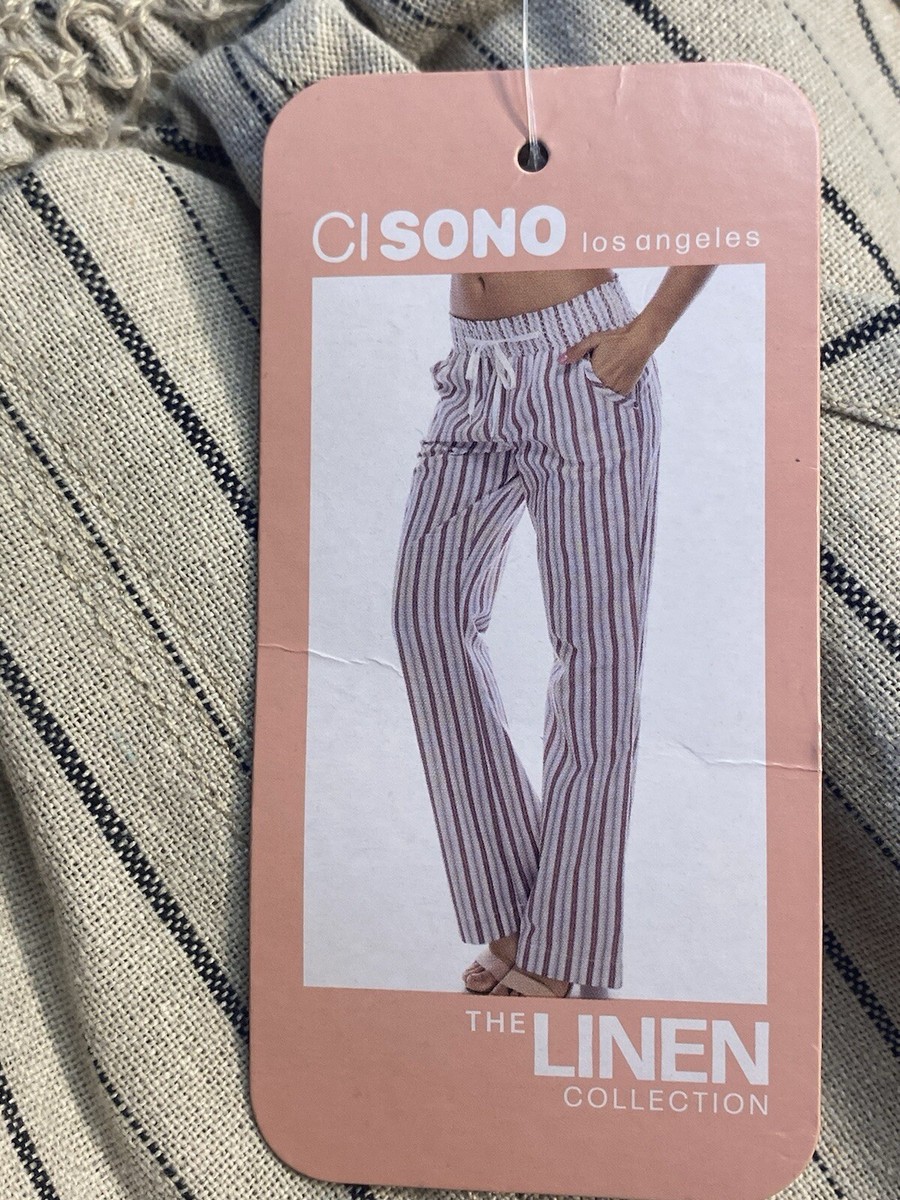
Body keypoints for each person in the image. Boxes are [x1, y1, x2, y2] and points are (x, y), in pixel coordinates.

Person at [391, 264, 714, 999]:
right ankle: (517, 913)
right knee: (427, 618)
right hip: (473, 370)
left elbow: (731, 209)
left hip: (581, 364)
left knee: (595, 656)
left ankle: (563, 945)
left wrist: (647, 333)